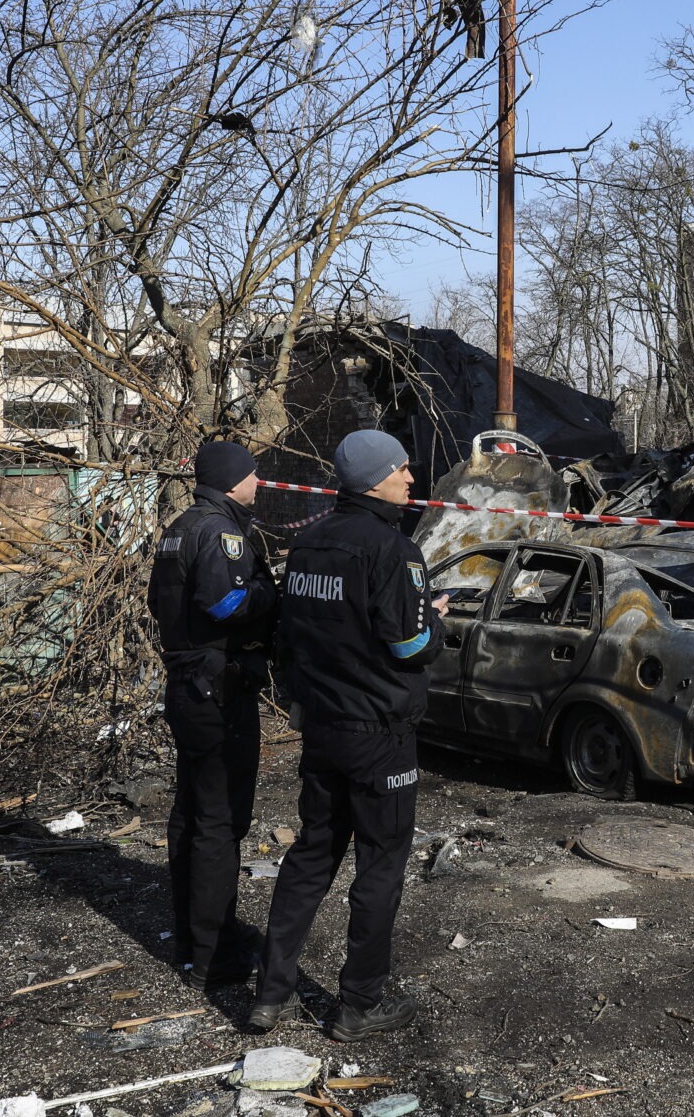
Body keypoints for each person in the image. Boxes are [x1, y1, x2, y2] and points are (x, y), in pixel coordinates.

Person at [251, 430, 450, 1041]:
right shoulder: (393, 551)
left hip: (322, 729)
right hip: (380, 734)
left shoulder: (307, 544)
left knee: (312, 855)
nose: (411, 478)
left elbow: (294, 635)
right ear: (374, 479)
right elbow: (409, 644)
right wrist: (437, 622)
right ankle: (360, 1004)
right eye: (403, 468)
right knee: (380, 867)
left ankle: (270, 995)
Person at [147, 440, 277, 993]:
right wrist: (274, 596)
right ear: (231, 480)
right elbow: (224, 604)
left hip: (187, 684)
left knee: (193, 815)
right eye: (253, 475)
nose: (259, 483)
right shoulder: (220, 532)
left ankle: (190, 940)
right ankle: (216, 954)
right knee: (220, 823)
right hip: (215, 690)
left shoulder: (179, 526)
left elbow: (160, 602)